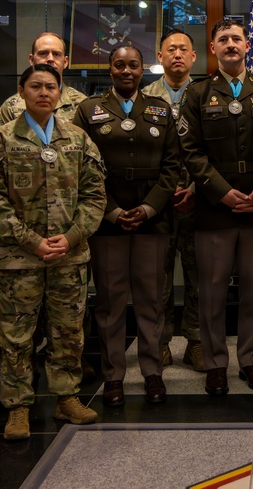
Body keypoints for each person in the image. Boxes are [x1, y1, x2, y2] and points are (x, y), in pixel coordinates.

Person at [0, 64, 106, 440]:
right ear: (21, 91)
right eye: (36, 86)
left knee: (68, 332)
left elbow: (95, 195)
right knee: (16, 336)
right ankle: (18, 406)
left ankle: (66, 398)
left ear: (60, 93)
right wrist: (31, 240)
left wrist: (72, 236)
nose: (44, 92)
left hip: (69, 255)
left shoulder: (78, 139)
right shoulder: (0, 140)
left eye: (51, 87)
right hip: (18, 259)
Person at [73, 46, 181, 406]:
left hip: (153, 221)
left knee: (152, 301)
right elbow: (82, 168)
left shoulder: (160, 109)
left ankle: (153, 373)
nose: (126, 71)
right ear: (110, 69)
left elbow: (173, 166)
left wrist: (149, 208)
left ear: (141, 70)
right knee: (110, 303)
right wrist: (113, 211)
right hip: (107, 223)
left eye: (133, 65)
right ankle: (113, 376)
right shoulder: (88, 111)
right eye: (119, 65)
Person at [178, 19, 253, 395]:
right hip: (213, 207)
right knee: (213, 290)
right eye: (224, 40)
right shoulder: (198, 93)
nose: (231, 44)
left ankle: (251, 362)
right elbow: (190, 149)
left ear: (248, 46)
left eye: (237, 38)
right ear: (214, 48)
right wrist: (221, 192)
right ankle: (217, 363)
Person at [141, 29, 203, 371]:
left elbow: (212, 150)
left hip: (198, 200)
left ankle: (196, 341)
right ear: (160, 57)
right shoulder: (143, 97)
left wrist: (194, 189)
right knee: (156, 277)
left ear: (194, 57)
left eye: (183, 49)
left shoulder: (206, 94)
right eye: (170, 49)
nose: (177, 54)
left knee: (199, 275)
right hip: (157, 204)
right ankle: (160, 342)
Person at [0, 32, 88, 128]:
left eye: (56, 54)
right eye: (43, 53)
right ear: (31, 60)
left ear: (65, 62)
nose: (50, 59)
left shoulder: (81, 104)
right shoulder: (11, 108)